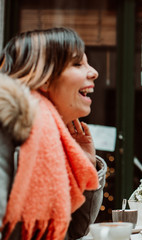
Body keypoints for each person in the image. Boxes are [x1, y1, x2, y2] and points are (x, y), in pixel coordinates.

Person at [0, 27, 107, 239]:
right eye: (77, 64)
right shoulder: (7, 130)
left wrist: (87, 164)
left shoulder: (51, 137)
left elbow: (76, 230)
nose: (93, 72)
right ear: (45, 78)